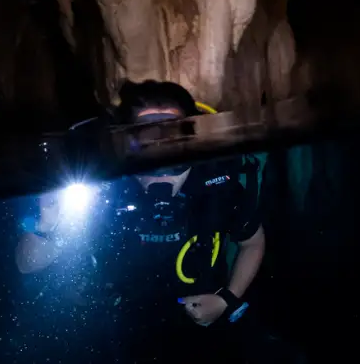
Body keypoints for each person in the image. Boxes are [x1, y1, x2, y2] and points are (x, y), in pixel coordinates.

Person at [15, 80, 267, 363]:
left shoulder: (216, 186)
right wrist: (45, 224)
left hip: (202, 321)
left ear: (195, 147)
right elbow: (28, 264)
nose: (160, 171)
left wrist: (226, 300)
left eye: (174, 149)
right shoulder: (106, 190)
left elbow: (253, 243)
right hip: (121, 322)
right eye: (145, 147)